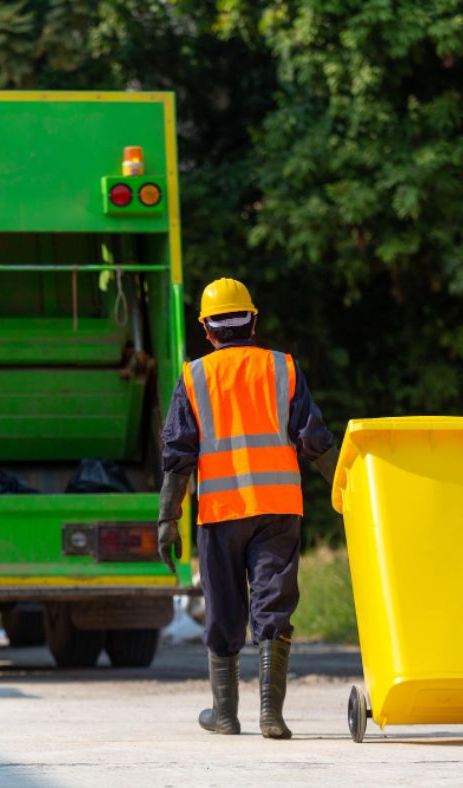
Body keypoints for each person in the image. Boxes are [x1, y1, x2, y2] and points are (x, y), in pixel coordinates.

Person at [157, 277, 338, 738]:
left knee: (223, 608)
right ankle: (270, 715)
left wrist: (167, 518)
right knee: (272, 604)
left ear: (207, 329)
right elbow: (313, 440)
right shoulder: (283, 368)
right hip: (278, 507)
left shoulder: (194, 376)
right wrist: (345, 488)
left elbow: (179, 455)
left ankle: (224, 714)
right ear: (253, 321)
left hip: (219, 512)